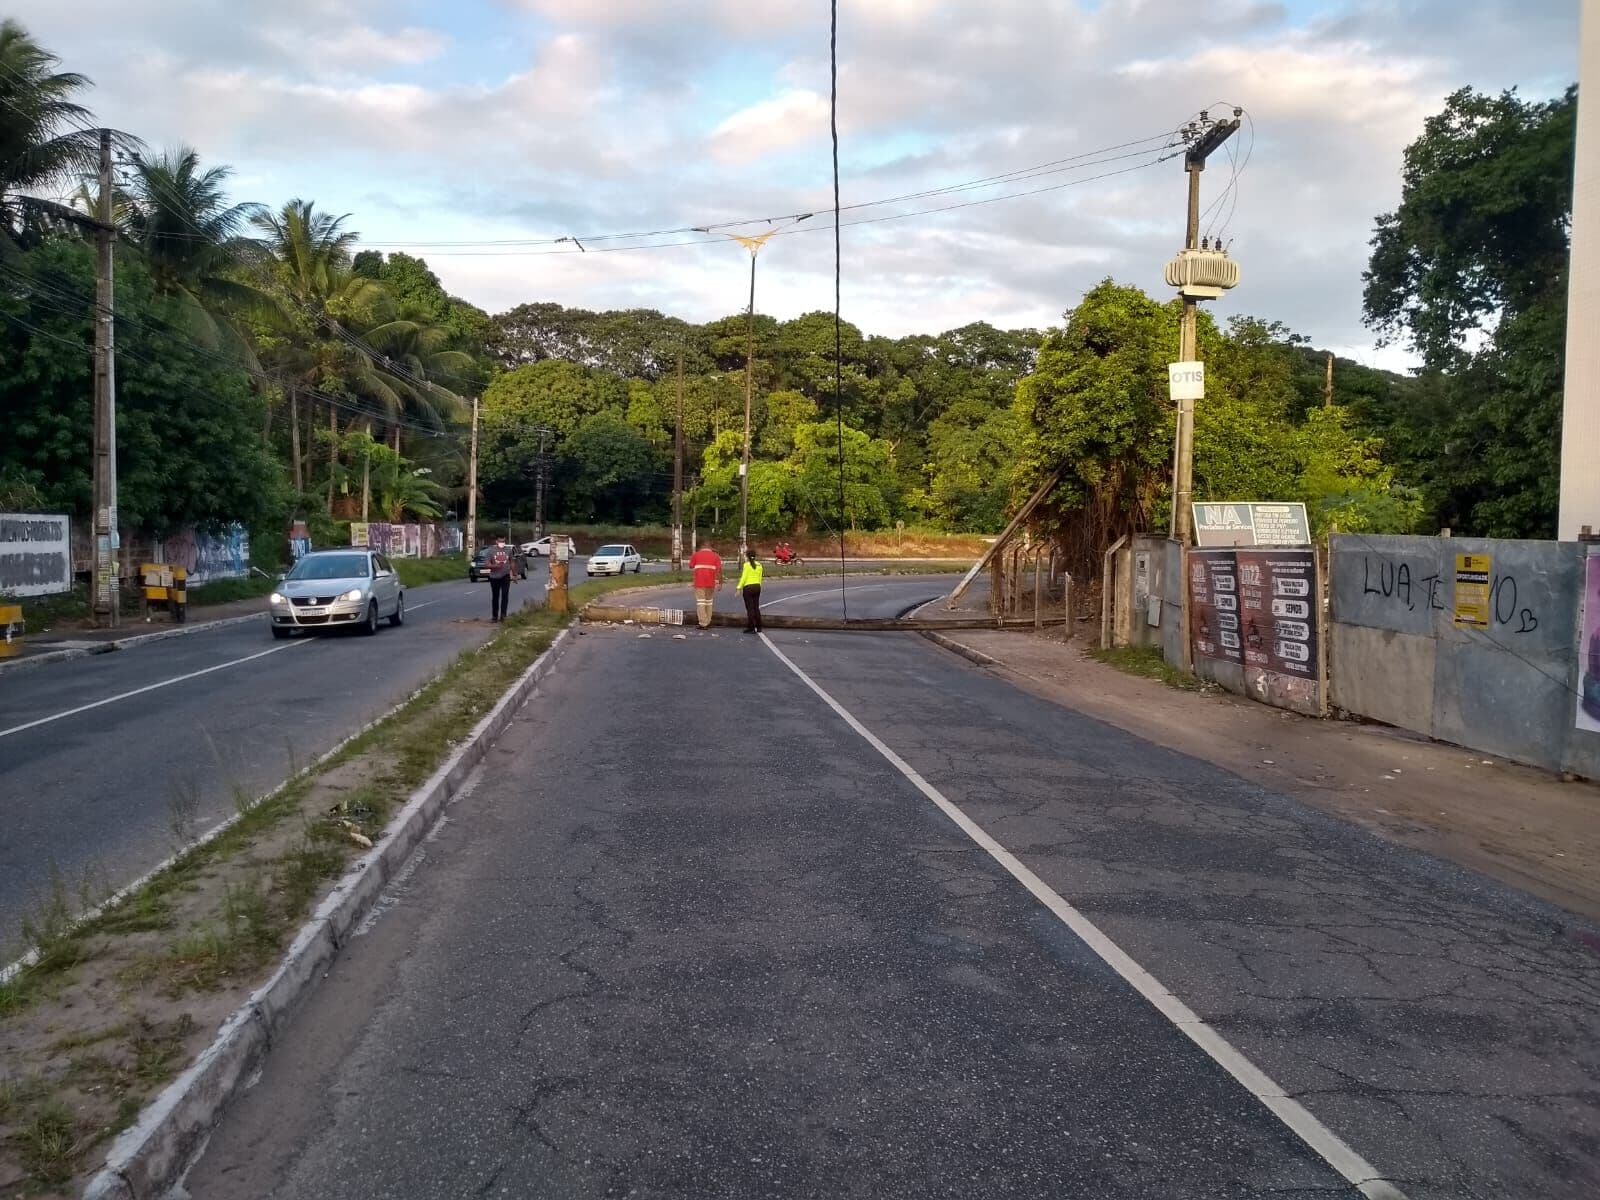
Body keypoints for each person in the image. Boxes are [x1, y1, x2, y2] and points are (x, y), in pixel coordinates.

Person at [688, 541, 723, 629]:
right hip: (711, 583)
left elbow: (691, 566)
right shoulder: (716, 556)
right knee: (709, 603)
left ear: (701, 547)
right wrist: (720, 583)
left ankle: (703, 623)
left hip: (699, 583)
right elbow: (719, 571)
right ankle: (708, 621)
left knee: (701, 602)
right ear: (710, 547)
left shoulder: (696, 555)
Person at [485, 534, 516, 622]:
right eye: (500, 541)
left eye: (503, 541)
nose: (502, 543)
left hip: (505, 576)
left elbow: (512, 562)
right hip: (494, 577)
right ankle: (494, 616)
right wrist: (495, 566)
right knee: (495, 596)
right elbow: (486, 564)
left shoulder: (508, 550)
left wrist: (514, 574)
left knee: (505, 596)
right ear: (496, 542)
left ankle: (503, 616)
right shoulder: (491, 551)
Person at [738, 550, 764, 634]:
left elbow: (744, 577)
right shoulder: (759, 565)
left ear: (747, 556)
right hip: (757, 586)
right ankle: (759, 627)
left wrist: (739, 588)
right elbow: (760, 578)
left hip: (748, 587)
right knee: (756, 607)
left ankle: (751, 627)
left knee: (750, 608)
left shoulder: (746, 565)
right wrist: (759, 586)